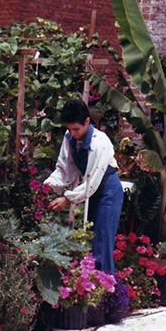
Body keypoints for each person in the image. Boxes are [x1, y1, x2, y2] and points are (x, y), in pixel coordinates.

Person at [44, 99, 123, 274]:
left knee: (102, 243)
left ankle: (108, 292)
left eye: (77, 129)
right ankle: (94, 289)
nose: (73, 133)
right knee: (91, 242)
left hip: (108, 192)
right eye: (70, 129)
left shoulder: (100, 143)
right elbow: (65, 168)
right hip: (92, 191)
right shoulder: (70, 137)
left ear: (87, 121)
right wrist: (47, 186)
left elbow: (92, 180)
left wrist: (66, 198)